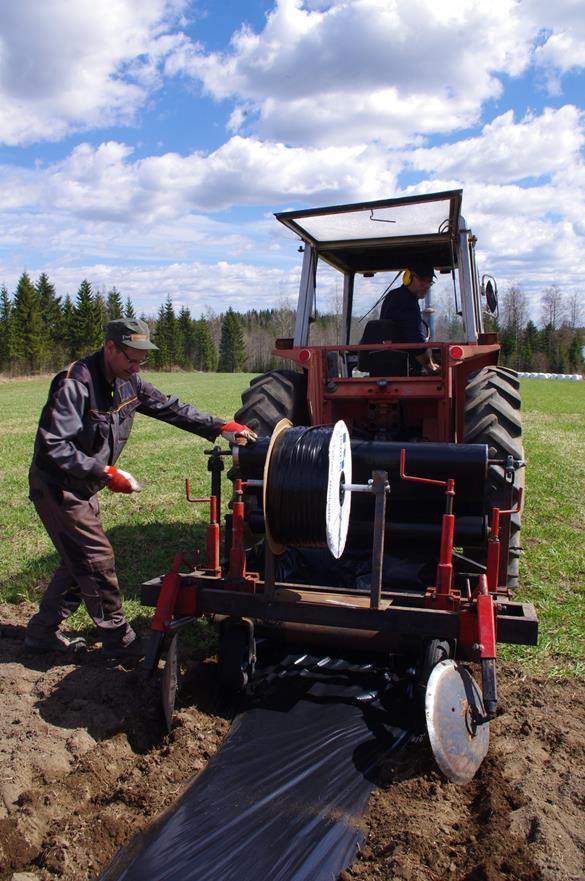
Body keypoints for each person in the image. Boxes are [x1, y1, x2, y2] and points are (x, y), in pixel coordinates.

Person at [24, 318, 257, 659]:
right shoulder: (76, 383)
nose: (136, 367)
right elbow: (53, 446)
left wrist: (219, 427)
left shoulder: (129, 382)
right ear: (110, 348)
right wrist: (104, 472)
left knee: (78, 560)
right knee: (96, 559)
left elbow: (171, 408)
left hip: (83, 484)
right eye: (131, 359)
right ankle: (120, 641)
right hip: (58, 485)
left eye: (141, 361)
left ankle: (42, 633)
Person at [380, 259, 440, 375]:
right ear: (408, 277)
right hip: (403, 367)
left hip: (389, 363)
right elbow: (417, 343)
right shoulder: (407, 303)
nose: (427, 286)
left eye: (430, 282)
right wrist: (430, 366)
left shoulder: (393, 295)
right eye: (422, 280)